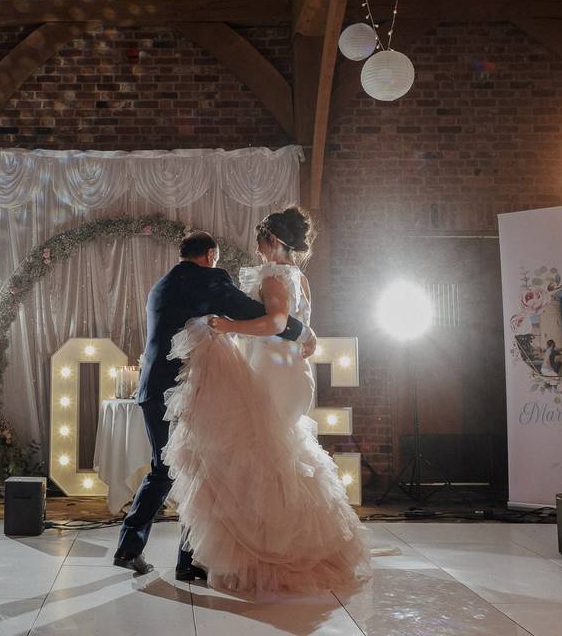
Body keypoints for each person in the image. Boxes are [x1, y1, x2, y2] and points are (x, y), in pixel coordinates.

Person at [162, 207, 371, 596]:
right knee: (277, 457)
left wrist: (229, 326)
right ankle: (288, 543)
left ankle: (265, 550)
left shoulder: (275, 275)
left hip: (274, 375)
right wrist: (306, 335)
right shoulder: (301, 279)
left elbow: (276, 323)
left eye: (259, 243)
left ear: (272, 240)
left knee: (255, 456)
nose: (257, 251)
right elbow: (300, 323)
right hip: (290, 371)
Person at [114, 230, 318, 580]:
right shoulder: (209, 278)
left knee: (164, 469)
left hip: (151, 390)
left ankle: (133, 547)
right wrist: (300, 330)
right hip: (185, 388)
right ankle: (187, 560)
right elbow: (250, 311)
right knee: (205, 469)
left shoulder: (161, 286)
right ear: (210, 255)